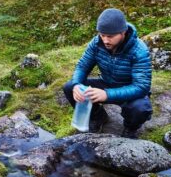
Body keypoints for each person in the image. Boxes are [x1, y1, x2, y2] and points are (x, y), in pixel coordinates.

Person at [62, 8, 153, 138]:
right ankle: (98, 117)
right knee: (69, 87)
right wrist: (77, 84)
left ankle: (130, 128)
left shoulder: (139, 50)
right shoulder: (97, 42)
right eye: (102, 35)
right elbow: (82, 66)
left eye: (110, 36)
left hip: (129, 88)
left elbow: (142, 87)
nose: (105, 40)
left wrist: (107, 95)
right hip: (106, 82)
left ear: (123, 32)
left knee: (140, 108)